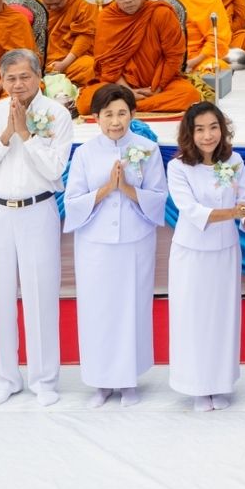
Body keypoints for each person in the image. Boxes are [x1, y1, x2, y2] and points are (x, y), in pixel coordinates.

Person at [0, 48, 73, 407]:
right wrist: (4, 137)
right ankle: (5, 378)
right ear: (1, 80)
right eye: (10, 78)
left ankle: (44, 379)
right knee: (0, 294)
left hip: (38, 209)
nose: (17, 85)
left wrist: (26, 135)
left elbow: (54, 170)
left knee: (40, 293)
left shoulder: (57, 115)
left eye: (24, 77)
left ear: (38, 76)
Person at [63, 83, 169, 408]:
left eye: (122, 113)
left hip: (135, 241)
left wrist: (127, 189)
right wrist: (109, 188)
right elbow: (73, 202)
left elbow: (158, 197)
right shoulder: (84, 152)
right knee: (98, 310)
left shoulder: (147, 150)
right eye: (108, 114)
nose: (115, 121)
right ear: (96, 117)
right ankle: (100, 381)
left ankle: (129, 381)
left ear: (132, 114)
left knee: (132, 308)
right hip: (95, 243)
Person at [167, 102, 245, 411]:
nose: (207, 136)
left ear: (222, 129)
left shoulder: (235, 161)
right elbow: (191, 211)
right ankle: (196, 385)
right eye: (200, 129)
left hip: (225, 250)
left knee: (222, 316)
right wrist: (232, 212)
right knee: (193, 317)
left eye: (213, 127)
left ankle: (219, 382)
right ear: (189, 133)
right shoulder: (178, 167)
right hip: (192, 253)